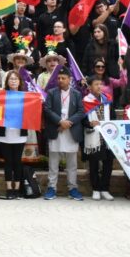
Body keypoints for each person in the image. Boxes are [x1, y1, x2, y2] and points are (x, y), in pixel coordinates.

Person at [42, 69, 86, 201]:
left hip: (71, 130)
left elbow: (81, 111)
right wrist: (60, 121)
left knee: (72, 163)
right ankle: (51, 188)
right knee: (53, 161)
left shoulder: (77, 94)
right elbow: (47, 109)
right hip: (56, 129)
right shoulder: (51, 93)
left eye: (63, 78)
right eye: (59, 78)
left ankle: (72, 188)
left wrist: (68, 122)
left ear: (70, 79)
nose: (60, 80)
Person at [0, 71, 27, 200]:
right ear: (7, 82)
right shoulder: (1, 96)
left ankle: (17, 190)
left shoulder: (26, 96)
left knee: (17, 161)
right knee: (8, 162)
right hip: (4, 133)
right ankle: (9, 189)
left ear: (20, 81)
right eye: (11, 79)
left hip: (20, 133)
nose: (13, 81)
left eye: (15, 79)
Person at [82, 76, 114, 201]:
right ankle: (95, 189)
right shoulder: (85, 101)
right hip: (93, 135)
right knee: (94, 163)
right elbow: (82, 119)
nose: (99, 86)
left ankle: (105, 189)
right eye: (96, 84)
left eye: (100, 84)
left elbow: (113, 117)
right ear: (89, 87)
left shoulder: (108, 100)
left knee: (108, 164)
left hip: (107, 136)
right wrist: (89, 123)